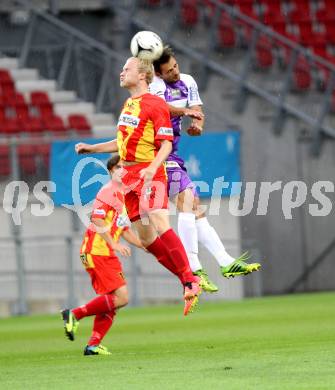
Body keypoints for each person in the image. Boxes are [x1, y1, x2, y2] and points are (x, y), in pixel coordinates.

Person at [75, 57, 201, 316]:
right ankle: (187, 279)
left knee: (159, 220)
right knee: (145, 238)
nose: (121, 73)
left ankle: (190, 280)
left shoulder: (155, 104)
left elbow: (166, 144)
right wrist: (93, 148)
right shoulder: (129, 104)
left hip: (149, 172)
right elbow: (121, 144)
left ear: (142, 75)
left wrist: (154, 167)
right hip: (129, 176)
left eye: (126, 69)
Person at [150, 46, 261, 292]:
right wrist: (185, 111)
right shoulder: (156, 87)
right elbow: (161, 109)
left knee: (195, 209)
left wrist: (197, 124)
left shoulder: (187, 81)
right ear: (159, 74)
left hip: (172, 152)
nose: (176, 73)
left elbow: (197, 112)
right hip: (155, 152)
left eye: (176, 66)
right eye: (169, 71)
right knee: (188, 201)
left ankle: (224, 262)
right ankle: (194, 268)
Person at [61, 155, 145, 356]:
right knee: (122, 297)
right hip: (98, 250)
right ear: (110, 171)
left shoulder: (122, 195)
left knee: (113, 300)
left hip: (103, 252)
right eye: (118, 167)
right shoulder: (107, 192)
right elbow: (97, 219)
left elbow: (124, 229)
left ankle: (92, 345)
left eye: (124, 167)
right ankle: (74, 314)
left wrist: (144, 245)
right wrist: (113, 244)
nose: (122, 170)